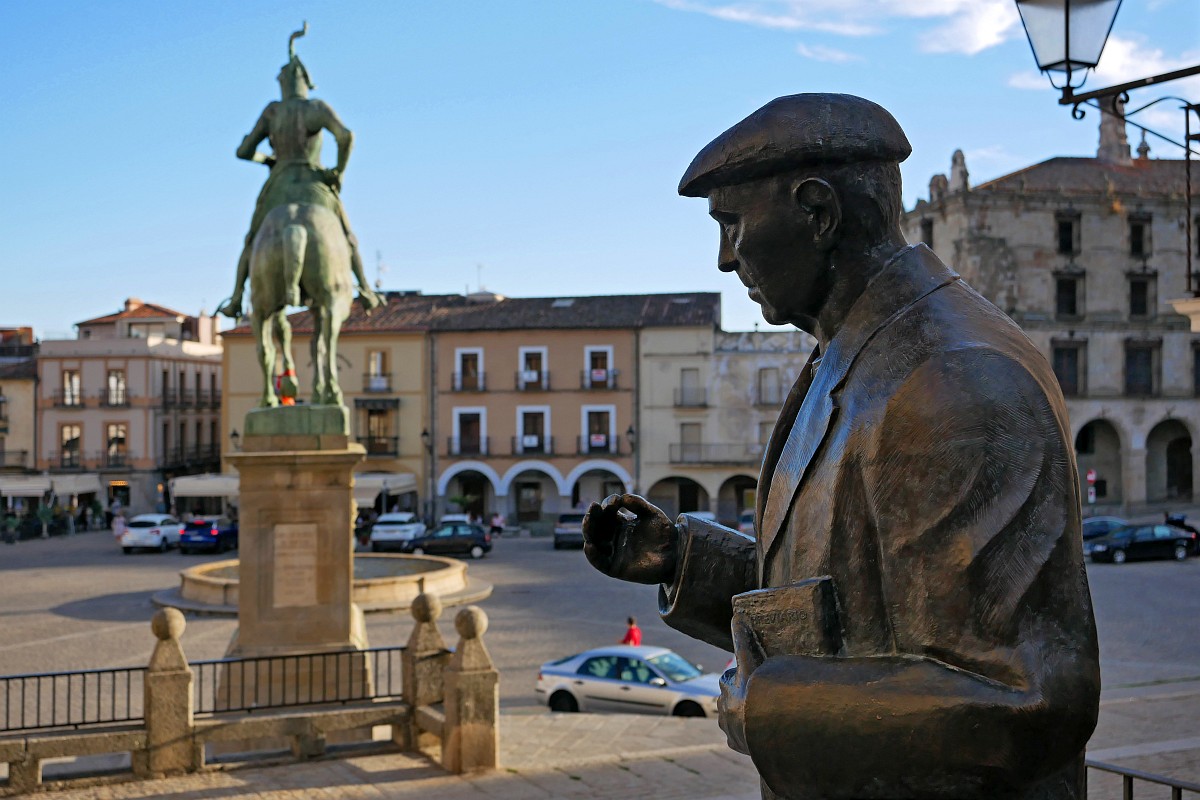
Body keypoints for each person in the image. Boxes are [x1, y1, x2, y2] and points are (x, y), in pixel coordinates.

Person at [582, 94, 1099, 800]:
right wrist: (682, 558)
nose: (726, 259)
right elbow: (849, 608)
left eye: (732, 224)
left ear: (818, 213)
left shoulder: (952, 379)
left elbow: (1025, 698)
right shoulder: (851, 355)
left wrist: (770, 708)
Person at [216, 25, 381, 320]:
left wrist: (268, 160)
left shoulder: (272, 111)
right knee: (347, 237)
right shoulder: (316, 108)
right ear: (306, 81)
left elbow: (243, 152)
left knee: (252, 240)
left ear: (284, 83)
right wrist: (338, 172)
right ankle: (366, 289)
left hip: (279, 186)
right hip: (314, 185)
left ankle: (237, 297)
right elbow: (346, 137)